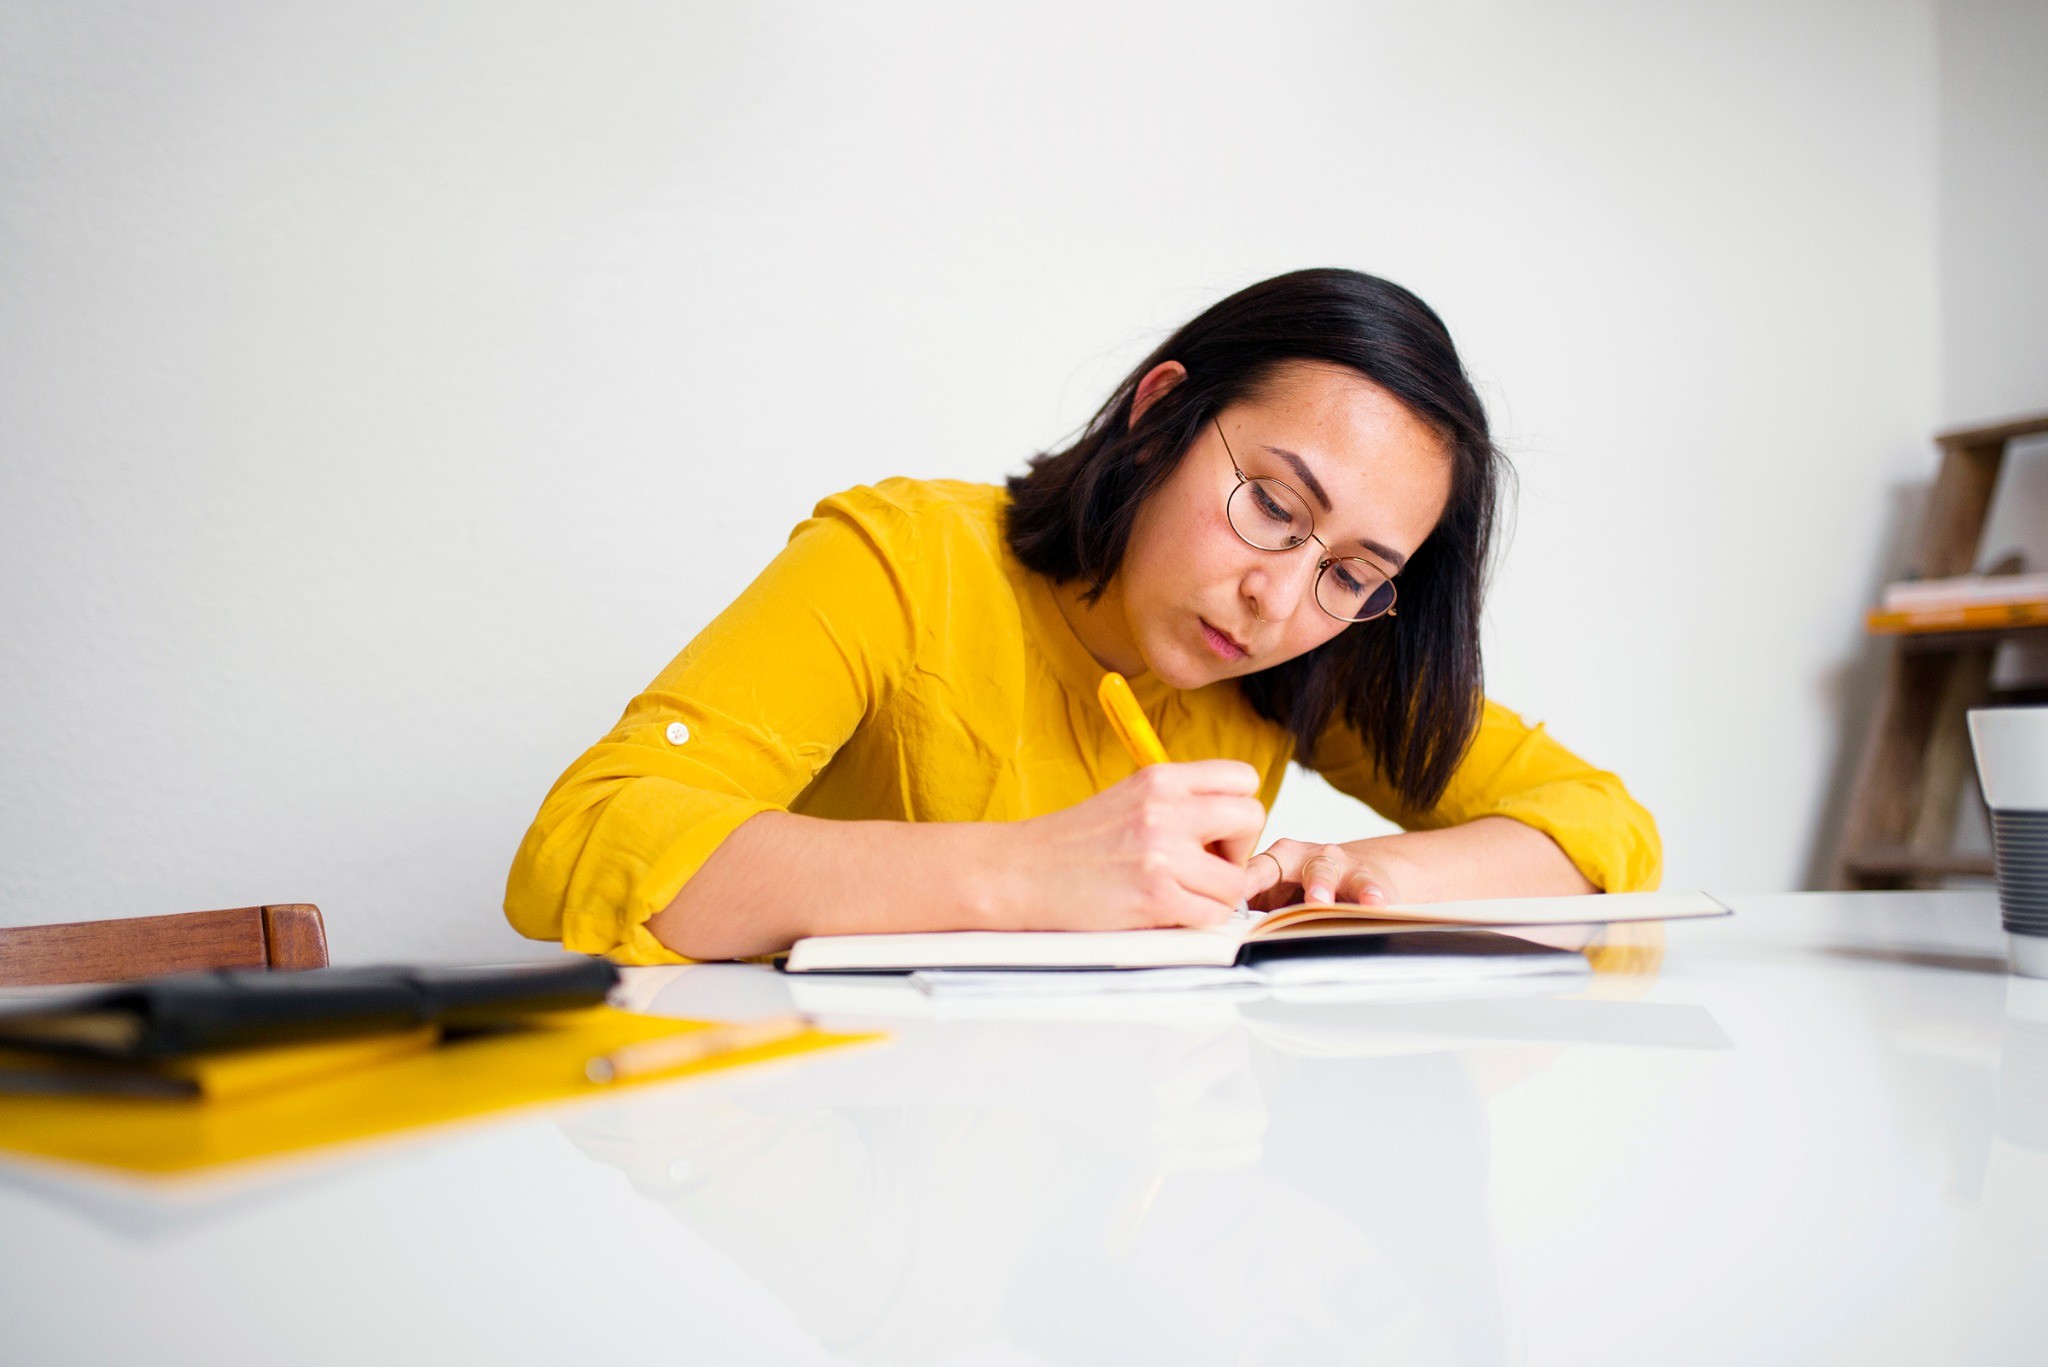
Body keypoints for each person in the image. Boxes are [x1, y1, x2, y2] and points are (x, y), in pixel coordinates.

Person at [505, 268, 1660, 963]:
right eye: (1270, 505)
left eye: (1353, 571)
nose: (1276, 596)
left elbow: (1600, 825)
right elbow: (582, 845)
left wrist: (1372, 879)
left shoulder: (1303, 652)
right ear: (1158, 418)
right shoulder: (904, 559)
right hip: (835, 1143)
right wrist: (1021, 873)